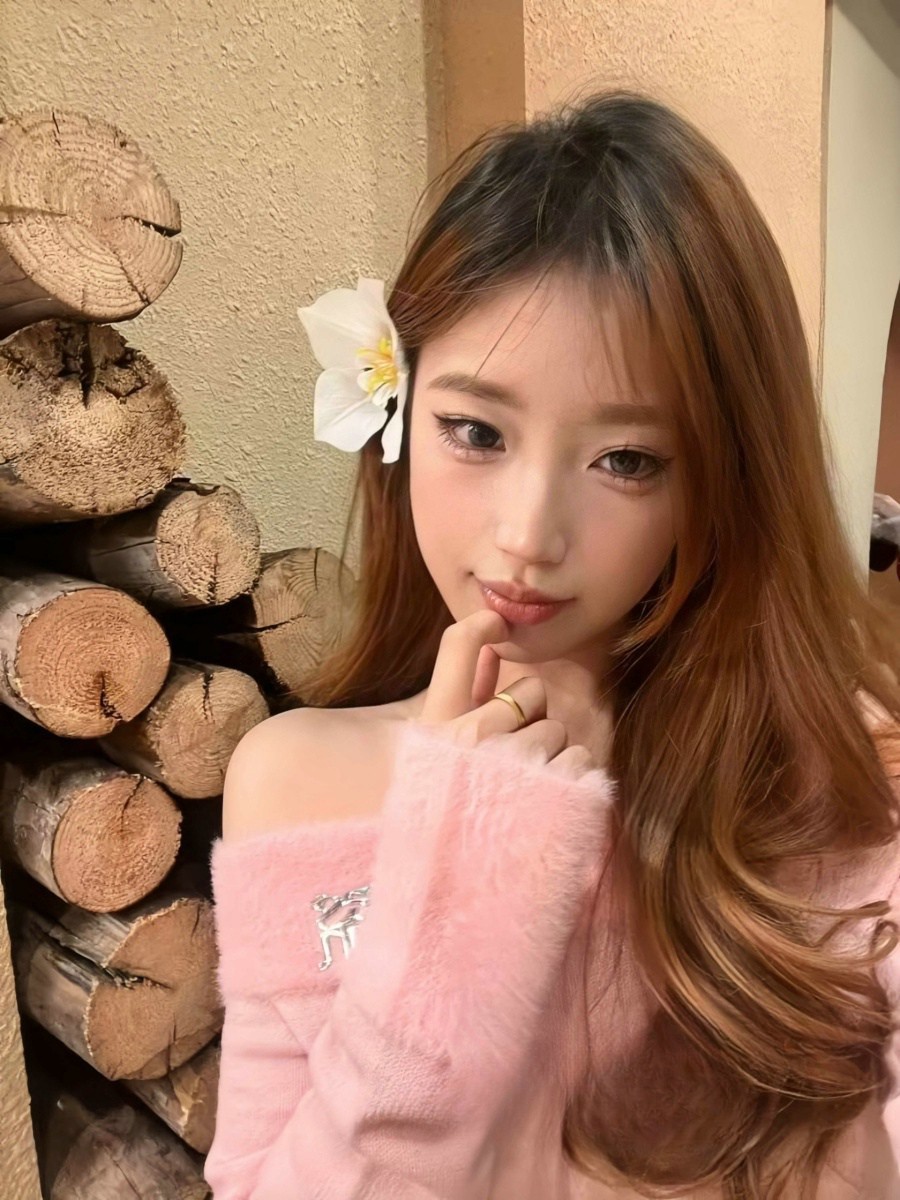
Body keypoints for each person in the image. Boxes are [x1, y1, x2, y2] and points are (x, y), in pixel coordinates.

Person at [203, 89, 900, 1199]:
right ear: (401, 410)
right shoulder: (296, 779)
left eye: (626, 460)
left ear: (718, 483)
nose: (529, 536)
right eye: (475, 431)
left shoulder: (824, 770)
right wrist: (456, 883)